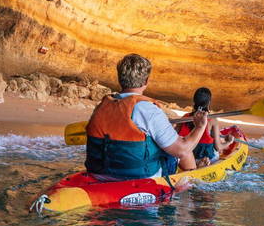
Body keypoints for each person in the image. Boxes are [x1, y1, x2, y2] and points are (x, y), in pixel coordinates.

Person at [85, 53, 207, 181]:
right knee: (183, 143)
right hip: (138, 178)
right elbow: (181, 151)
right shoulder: (149, 110)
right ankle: (193, 180)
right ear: (146, 81)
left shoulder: (102, 107)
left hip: (98, 174)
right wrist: (200, 126)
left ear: (120, 78)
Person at [177, 87, 234, 168]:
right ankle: (201, 164)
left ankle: (195, 164)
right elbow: (218, 147)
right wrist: (228, 142)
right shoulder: (212, 121)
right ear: (209, 102)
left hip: (188, 159)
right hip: (208, 159)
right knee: (216, 150)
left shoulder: (184, 118)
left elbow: (173, 137)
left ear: (194, 101)